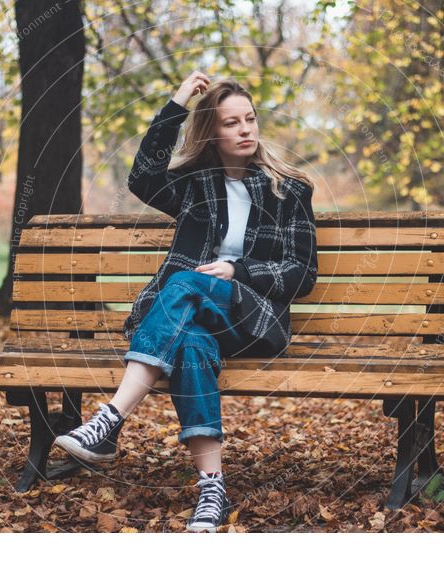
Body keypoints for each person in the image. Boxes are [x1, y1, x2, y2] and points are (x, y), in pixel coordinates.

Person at [54, 72, 318, 532]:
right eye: (232, 123)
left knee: (184, 282)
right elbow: (143, 176)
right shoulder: (194, 186)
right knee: (192, 345)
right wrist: (176, 102)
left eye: (250, 119)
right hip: (195, 320)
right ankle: (211, 491)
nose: (245, 130)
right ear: (212, 134)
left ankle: (111, 419)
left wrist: (238, 271)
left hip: (254, 317)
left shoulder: (289, 190)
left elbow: (303, 274)